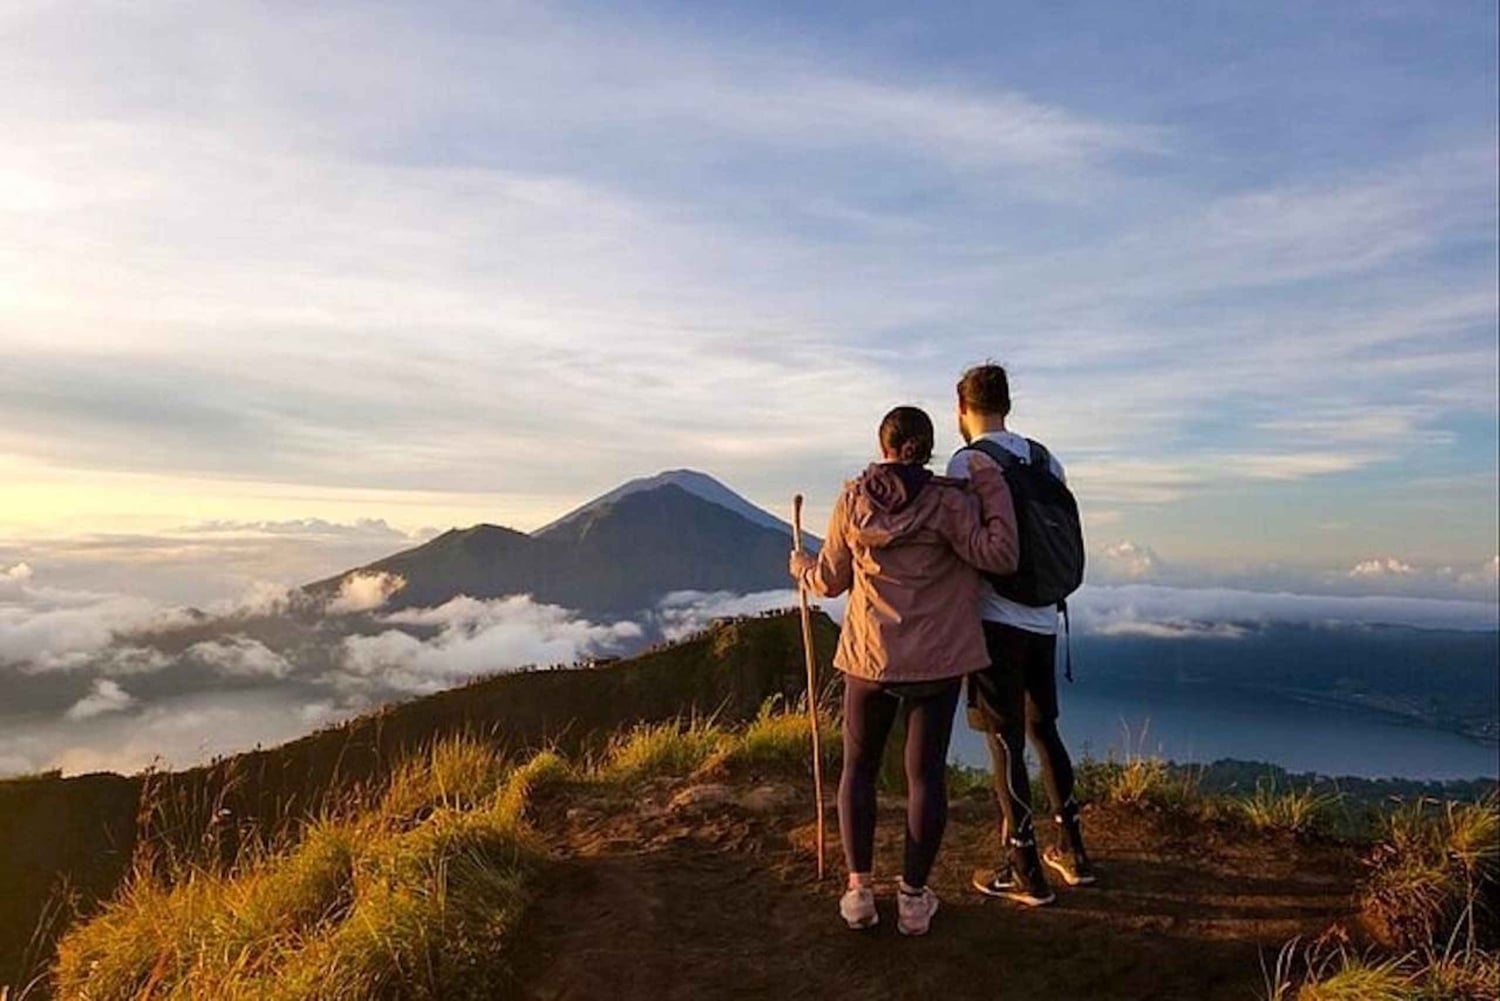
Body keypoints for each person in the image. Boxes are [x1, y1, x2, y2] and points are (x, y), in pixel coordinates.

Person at [790, 405, 1018, 936]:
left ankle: (859, 894)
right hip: (936, 665)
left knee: (859, 771)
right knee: (925, 778)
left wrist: (800, 566)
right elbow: (1001, 555)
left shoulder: (853, 501)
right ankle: (913, 900)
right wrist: (991, 484)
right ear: (929, 447)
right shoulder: (950, 503)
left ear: (884, 445)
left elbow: (829, 581)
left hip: (870, 661)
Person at [945, 363, 1096, 908]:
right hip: (1044, 615)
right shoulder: (1044, 457)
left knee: (1003, 740)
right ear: (1008, 403)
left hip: (995, 619)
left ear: (962, 410)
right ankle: (1073, 852)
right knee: (1044, 730)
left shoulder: (967, 461)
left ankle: (1024, 865)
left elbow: (961, 538)